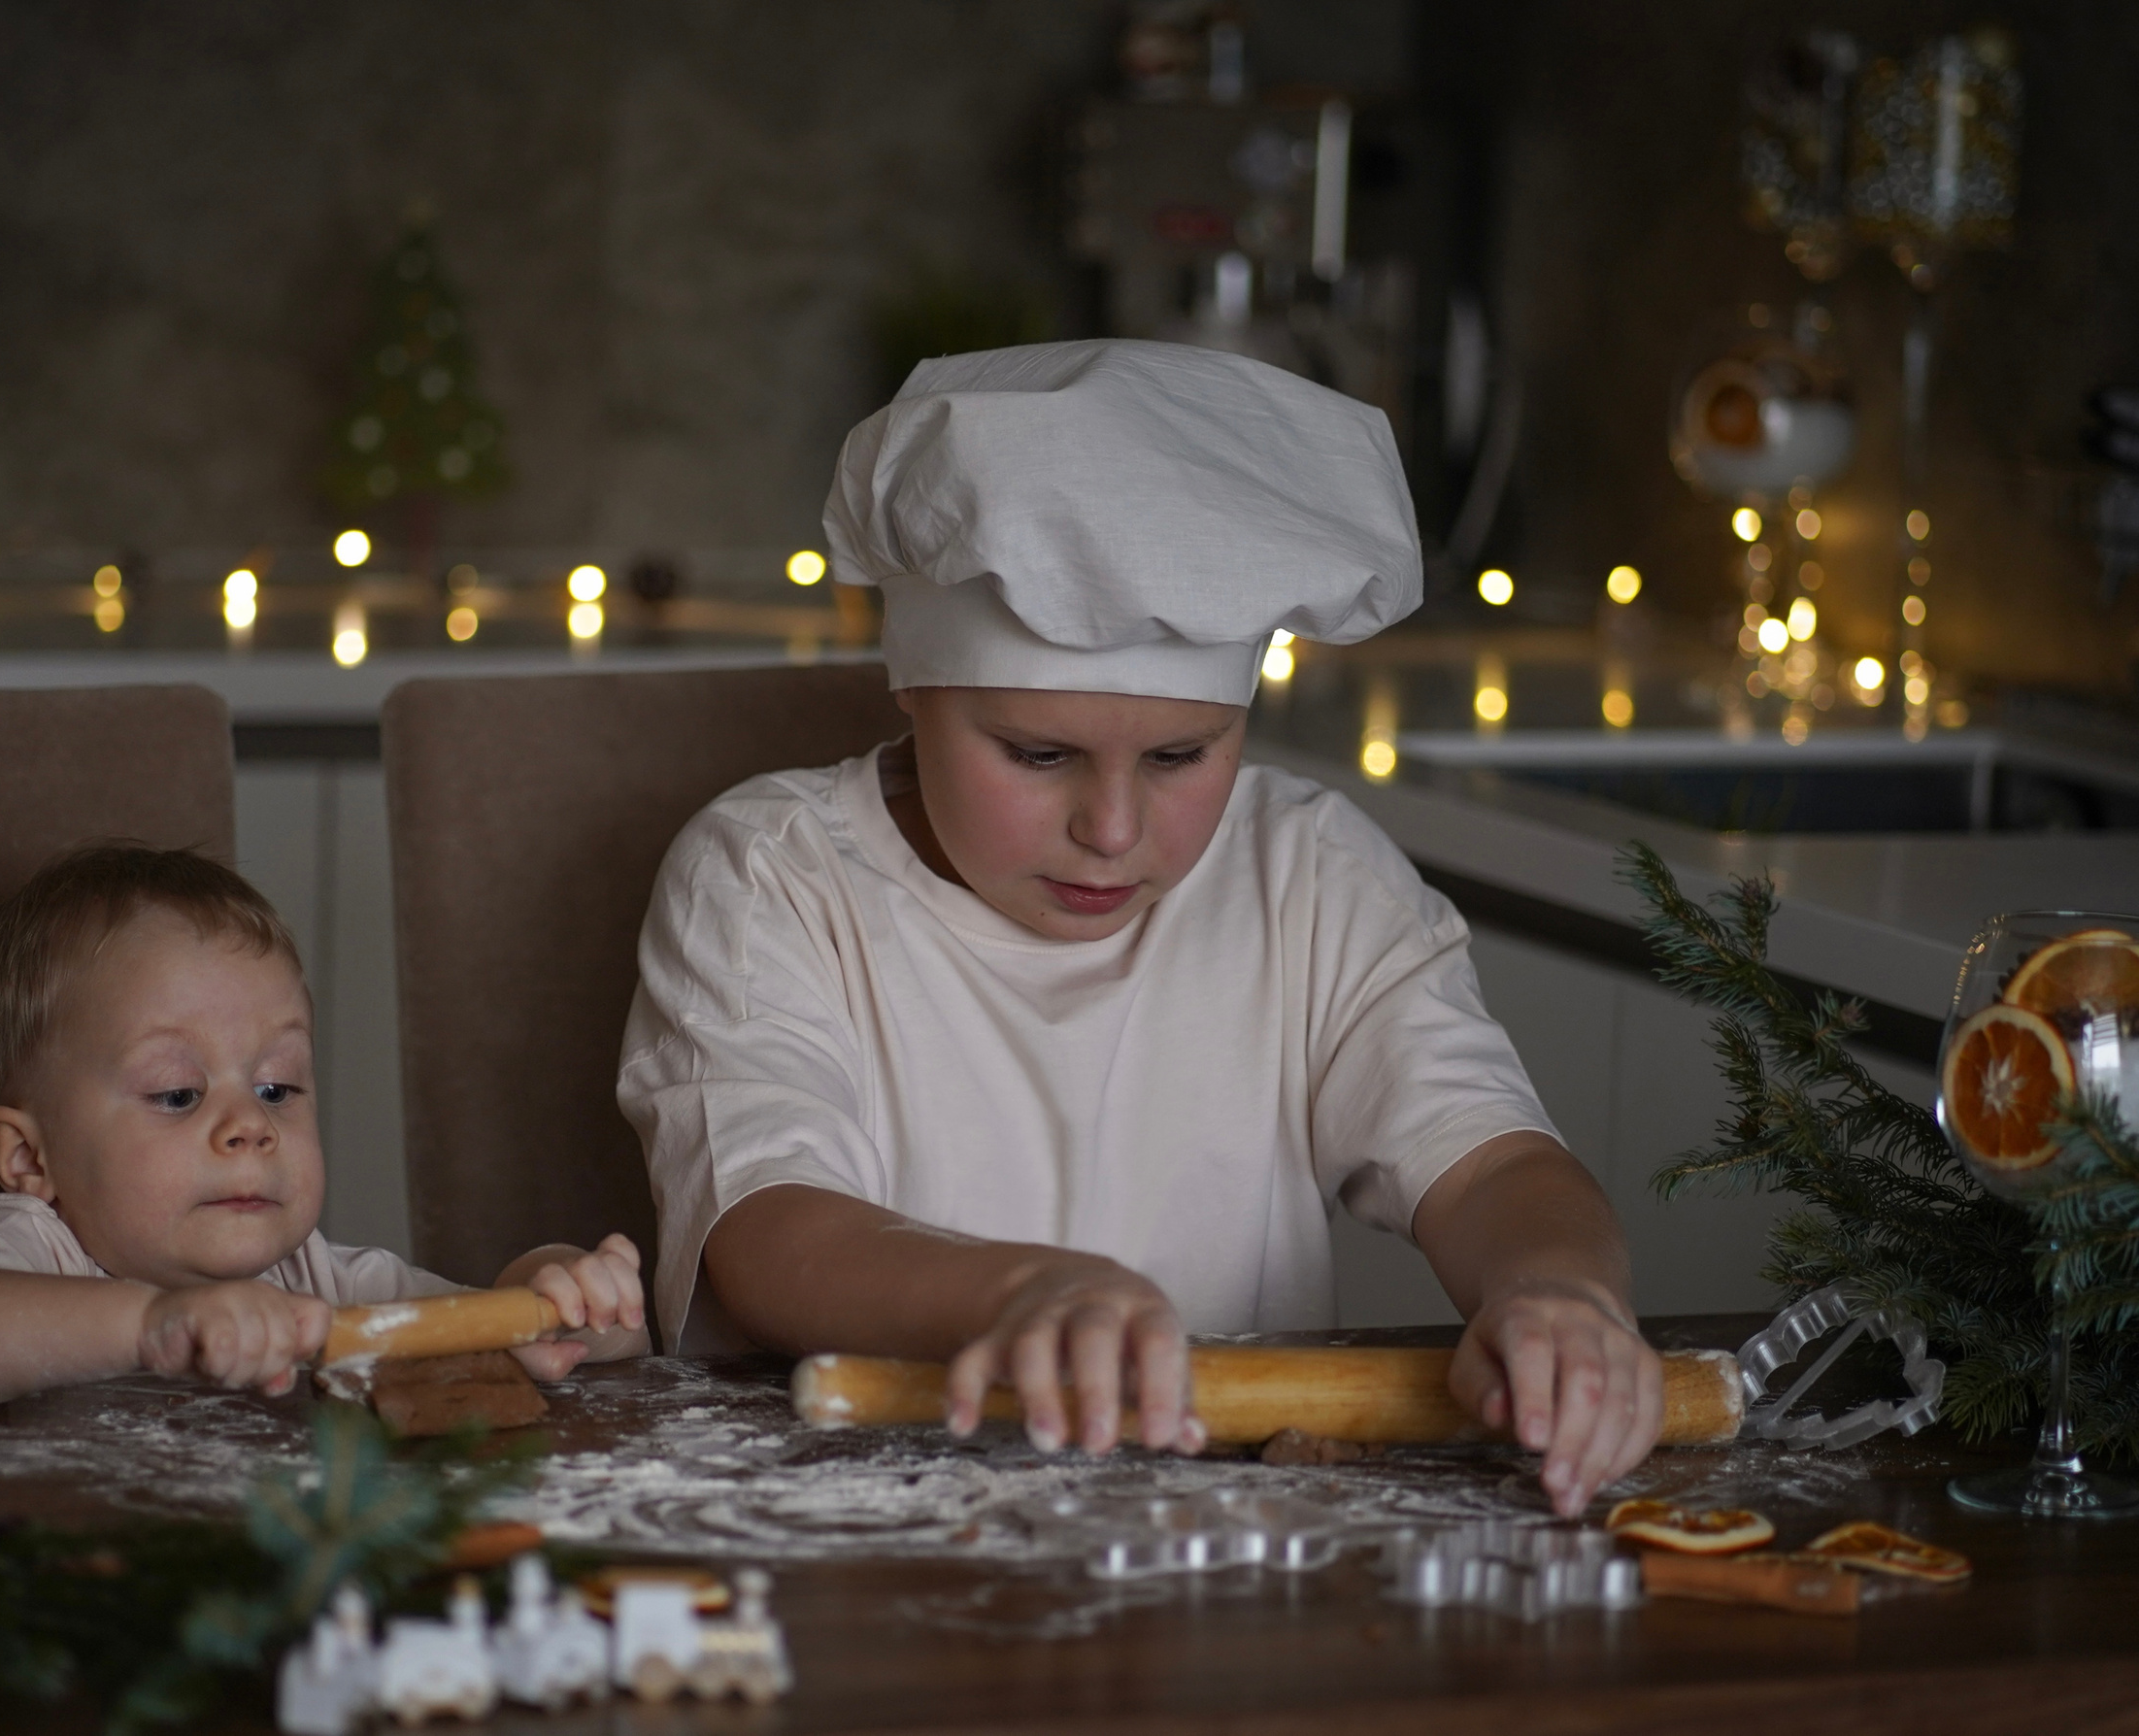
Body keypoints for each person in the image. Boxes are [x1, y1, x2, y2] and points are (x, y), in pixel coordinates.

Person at [620, 340, 1662, 1517]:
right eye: (1039, 755)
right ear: (912, 690)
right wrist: (1020, 1293)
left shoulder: (1308, 875)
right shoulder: (771, 878)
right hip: (854, 1537)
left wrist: (1559, 1293)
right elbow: (765, 1226)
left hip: (1232, 1542)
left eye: (1180, 757)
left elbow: (1495, 1165)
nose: (1112, 829)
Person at [0, 844, 647, 1413]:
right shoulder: (36, 1248)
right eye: (179, 1094)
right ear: (31, 1157)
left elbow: (531, 1330)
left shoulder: (315, 1281)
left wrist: (558, 1296)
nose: (250, 1125)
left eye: (278, 1086)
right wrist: (151, 1329)